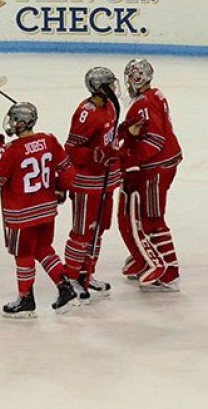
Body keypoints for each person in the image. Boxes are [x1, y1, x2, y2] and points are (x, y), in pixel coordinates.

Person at [0, 102, 80, 317]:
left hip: (22, 212)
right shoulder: (49, 140)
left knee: (23, 255)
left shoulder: (10, 150)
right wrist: (61, 189)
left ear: (21, 123)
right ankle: (65, 288)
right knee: (43, 248)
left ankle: (25, 300)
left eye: (13, 119)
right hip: (47, 209)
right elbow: (68, 171)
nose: (10, 123)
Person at [117, 58, 183, 292]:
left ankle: (170, 271)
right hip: (165, 161)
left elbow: (155, 140)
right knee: (144, 217)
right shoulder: (156, 94)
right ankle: (146, 258)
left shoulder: (142, 104)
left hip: (156, 167)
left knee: (152, 219)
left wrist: (130, 162)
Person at [61, 67, 121, 302]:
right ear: (99, 87)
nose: (114, 88)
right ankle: (72, 276)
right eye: (109, 84)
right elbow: (72, 149)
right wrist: (97, 155)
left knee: (99, 229)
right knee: (82, 231)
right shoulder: (85, 113)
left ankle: (88, 274)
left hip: (107, 181)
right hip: (87, 183)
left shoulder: (111, 106)